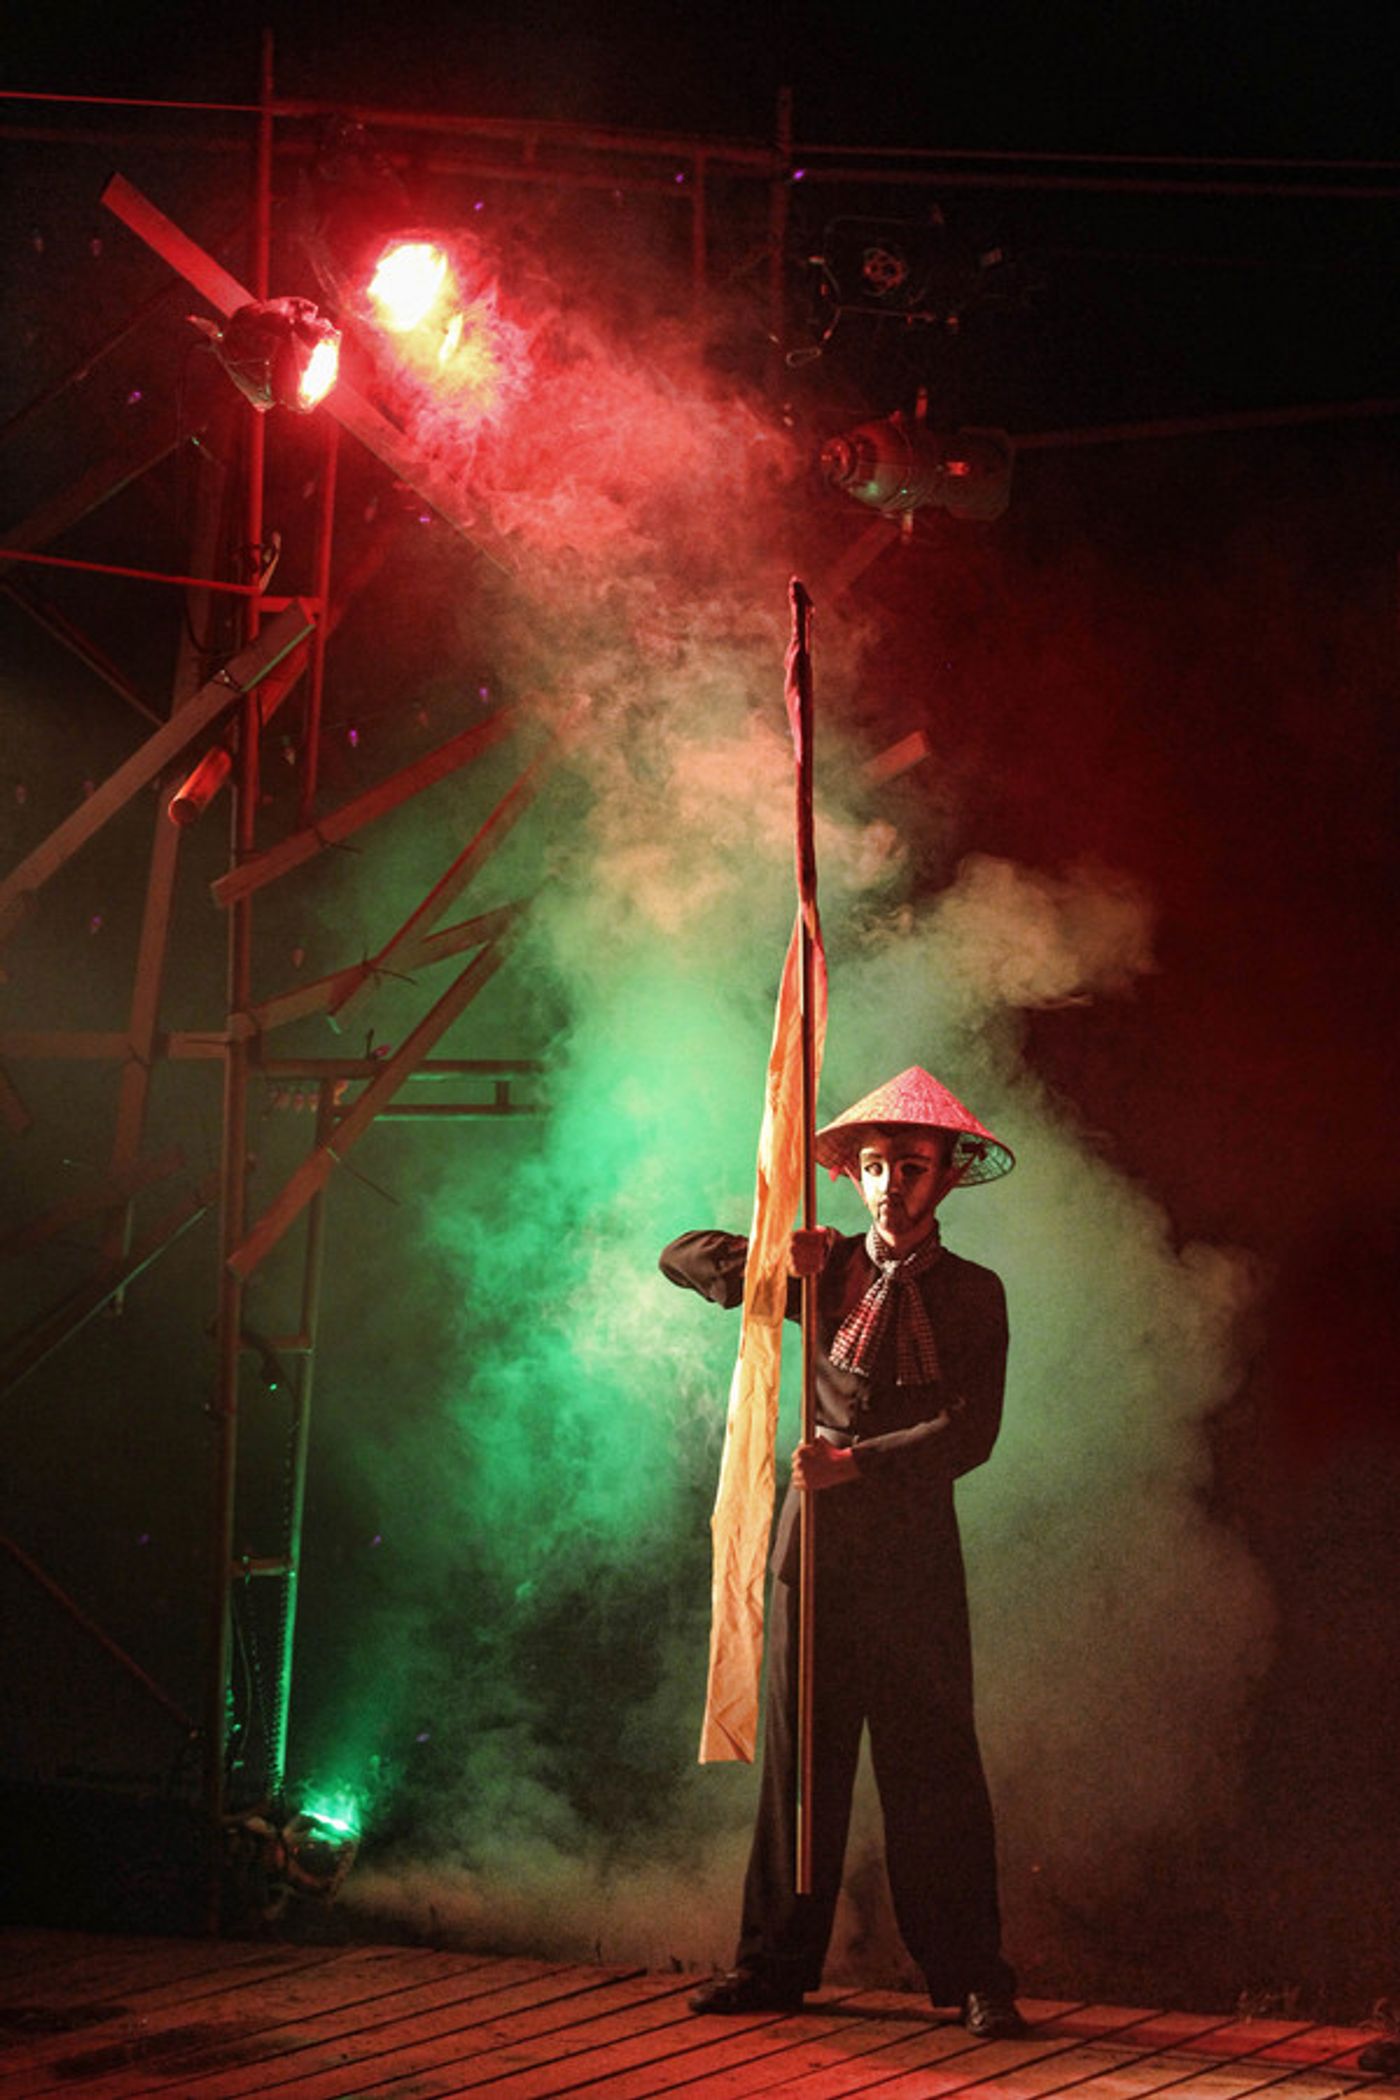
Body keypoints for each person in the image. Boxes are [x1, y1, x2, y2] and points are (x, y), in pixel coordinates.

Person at [660, 1066, 1025, 2038]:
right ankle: (772, 1964)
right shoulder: (822, 1271)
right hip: (812, 1562)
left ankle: (972, 1973)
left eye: (909, 1167)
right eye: (872, 1167)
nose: (888, 1186)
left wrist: (855, 1464)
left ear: (946, 1177)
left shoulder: (974, 1295)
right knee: (801, 1771)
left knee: (934, 1768)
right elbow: (678, 1257)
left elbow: (969, 1433)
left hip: (912, 1565)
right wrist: (780, 1254)